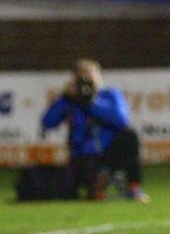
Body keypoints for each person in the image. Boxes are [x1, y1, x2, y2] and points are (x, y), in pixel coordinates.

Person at [41, 58, 149, 203]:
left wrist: (91, 102)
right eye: (81, 76)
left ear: (98, 76)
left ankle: (133, 187)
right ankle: (96, 184)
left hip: (108, 153)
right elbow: (47, 122)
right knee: (67, 190)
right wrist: (65, 98)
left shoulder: (110, 94)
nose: (85, 79)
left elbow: (121, 120)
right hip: (82, 156)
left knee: (129, 135)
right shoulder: (70, 101)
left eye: (89, 74)